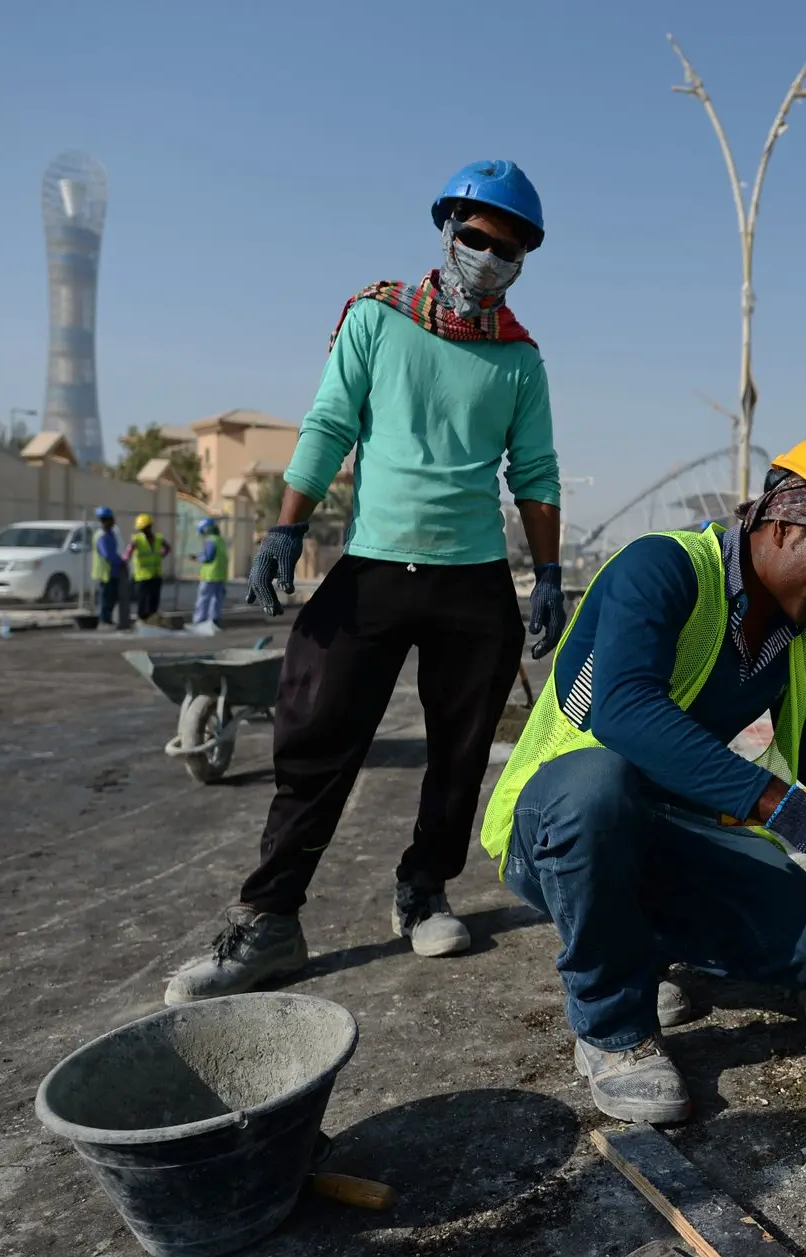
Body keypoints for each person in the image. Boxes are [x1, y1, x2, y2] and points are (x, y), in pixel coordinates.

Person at [479, 435, 806, 1125]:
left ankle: (642, 947)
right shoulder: (662, 568)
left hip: (656, 826)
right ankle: (610, 1025)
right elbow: (624, 708)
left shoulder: (794, 635)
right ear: (782, 525)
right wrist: (788, 811)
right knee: (601, 786)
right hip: (557, 825)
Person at [166, 159, 566, 1003]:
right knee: (316, 737)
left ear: (525, 257)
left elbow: (535, 473)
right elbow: (328, 423)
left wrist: (552, 571)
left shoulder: (519, 360)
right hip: (377, 566)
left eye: (510, 248)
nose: (489, 257)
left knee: (460, 755)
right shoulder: (377, 318)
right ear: (446, 230)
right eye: (476, 237)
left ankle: (424, 889)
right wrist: (285, 526)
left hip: (473, 579)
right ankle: (271, 918)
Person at [126, 513, 171, 621]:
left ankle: (152, 619)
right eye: (141, 529)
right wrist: (123, 561)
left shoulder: (159, 538)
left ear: (149, 527)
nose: (142, 531)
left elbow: (167, 548)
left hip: (156, 574)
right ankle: (142, 619)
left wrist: (161, 555)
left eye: (144, 528)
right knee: (142, 600)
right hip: (142, 575)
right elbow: (128, 552)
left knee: (154, 599)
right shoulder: (137, 539)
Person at [90, 506, 126, 627]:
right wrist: (120, 561)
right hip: (106, 573)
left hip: (112, 571)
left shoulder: (111, 534)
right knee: (106, 598)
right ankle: (104, 620)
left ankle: (108, 618)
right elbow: (107, 554)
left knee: (112, 597)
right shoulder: (102, 536)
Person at [191, 519, 227, 627]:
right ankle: (214, 620)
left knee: (204, 598)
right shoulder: (220, 540)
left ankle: (199, 620)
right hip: (220, 574)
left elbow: (208, 557)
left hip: (209, 575)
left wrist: (197, 558)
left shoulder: (211, 540)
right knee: (217, 598)